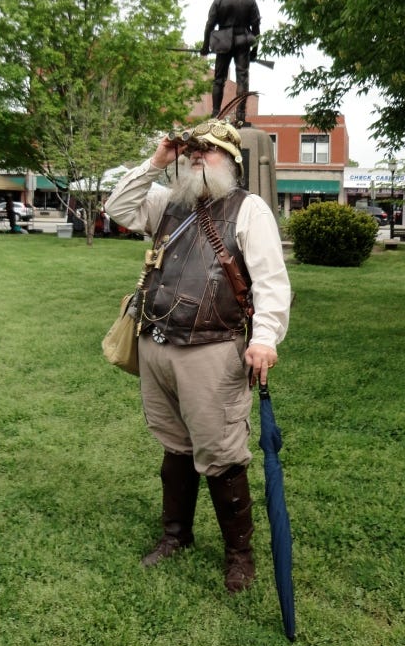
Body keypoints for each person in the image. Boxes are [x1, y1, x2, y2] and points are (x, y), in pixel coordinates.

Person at [105, 117, 291, 594]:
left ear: (230, 160)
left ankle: (239, 556)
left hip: (212, 350)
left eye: (206, 151)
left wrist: (265, 338)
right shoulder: (169, 204)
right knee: (175, 446)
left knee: (222, 453)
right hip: (156, 345)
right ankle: (176, 536)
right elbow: (118, 206)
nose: (196, 158)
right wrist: (158, 159)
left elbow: (271, 283)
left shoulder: (250, 210)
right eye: (191, 152)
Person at [201, 0, 261, 125]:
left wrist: (205, 46)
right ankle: (240, 115)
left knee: (218, 79)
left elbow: (209, 25)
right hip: (243, 42)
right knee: (242, 78)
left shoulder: (220, 0)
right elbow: (256, 29)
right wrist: (255, 50)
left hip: (224, 42)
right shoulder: (250, 2)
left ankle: (215, 113)